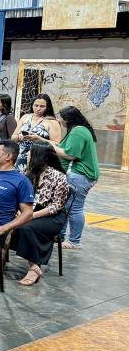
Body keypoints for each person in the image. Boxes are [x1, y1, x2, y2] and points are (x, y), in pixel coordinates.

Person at [6, 145, 70, 286]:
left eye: (30, 153)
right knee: (3, 220)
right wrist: (20, 210)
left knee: (26, 227)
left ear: (38, 157)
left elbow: (56, 206)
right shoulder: (28, 174)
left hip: (51, 216)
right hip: (29, 211)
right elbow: (19, 197)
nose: (26, 156)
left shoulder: (59, 176)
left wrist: (31, 215)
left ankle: (33, 268)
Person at [47, 105, 99, 251]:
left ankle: (75, 241)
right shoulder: (78, 130)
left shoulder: (78, 132)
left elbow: (70, 154)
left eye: (61, 118)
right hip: (79, 174)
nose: (59, 120)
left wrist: (51, 147)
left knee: (74, 208)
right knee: (65, 206)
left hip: (79, 175)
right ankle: (60, 236)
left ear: (69, 119)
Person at [11, 93, 62, 171]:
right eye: (36, 105)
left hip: (40, 159)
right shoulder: (25, 117)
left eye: (42, 106)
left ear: (47, 107)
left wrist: (39, 138)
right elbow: (13, 137)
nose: (38, 109)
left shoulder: (52, 122)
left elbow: (57, 144)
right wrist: (19, 137)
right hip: (21, 158)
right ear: (32, 105)